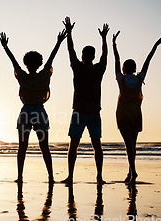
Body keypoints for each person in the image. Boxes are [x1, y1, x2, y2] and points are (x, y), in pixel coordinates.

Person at [0, 29, 67, 184]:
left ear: (26, 64)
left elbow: (13, 62)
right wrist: (58, 42)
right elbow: (51, 59)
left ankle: (20, 177)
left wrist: (5, 47)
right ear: (40, 63)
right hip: (39, 112)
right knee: (44, 147)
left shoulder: (23, 76)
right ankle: (51, 177)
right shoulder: (43, 76)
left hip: (26, 112)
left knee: (22, 147)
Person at [60, 16, 109, 185]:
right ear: (93, 56)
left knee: (73, 145)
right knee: (97, 145)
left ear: (83, 56)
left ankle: (71, 176)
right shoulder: (98, 69)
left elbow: (70, 50)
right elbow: (105, 55)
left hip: (80, 111)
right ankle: (99, 176)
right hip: (94, 112)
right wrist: (104, 38)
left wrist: (69, 32)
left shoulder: (78, 67)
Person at [113, 31, 161, 184]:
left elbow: (116, 59)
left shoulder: (121, 79)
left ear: (124, 68)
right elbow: (148, 60)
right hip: (136, 114)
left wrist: (114, 44)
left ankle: (133, 172)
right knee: (132, 145)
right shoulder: (139, 78)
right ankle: (130, 173)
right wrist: (155, 45)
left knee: (128, 145)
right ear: (134, 68)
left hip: (123, 115)